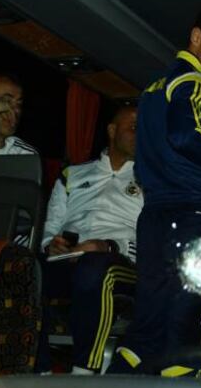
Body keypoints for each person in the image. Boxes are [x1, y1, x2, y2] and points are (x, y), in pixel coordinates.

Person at [108, 0, 201, 376]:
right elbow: (188, 133)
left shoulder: (154, 89)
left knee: (146, 332)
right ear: (196, 37)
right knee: (191, 335)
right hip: (197, 216)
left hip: (155, 219)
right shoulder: (194, 82)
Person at [40, 105, 142, 374]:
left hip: (122, 261)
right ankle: (40, 369)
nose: (140, 133)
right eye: (133, 127)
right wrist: (51, 243)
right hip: (70, 256)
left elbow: (153, 239)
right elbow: (51, 227)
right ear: (111, 131)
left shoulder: (152, 179)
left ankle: (86, 370)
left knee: (94, 268)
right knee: (27, 270)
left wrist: (106, 246)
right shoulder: (72, 175)